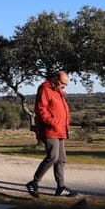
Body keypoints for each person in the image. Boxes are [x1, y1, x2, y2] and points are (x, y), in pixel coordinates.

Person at [26, 70, 78, 198]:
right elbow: (41, 109)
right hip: (49, 129)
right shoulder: (45, 88)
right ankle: (34, 182)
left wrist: (63, 124)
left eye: (66, 84)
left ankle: (61, 188)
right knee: (53, 157)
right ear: (55, 79)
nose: (64, 86)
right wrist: (53, 122)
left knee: (61, 159)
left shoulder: (58, 91)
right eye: (62, 83)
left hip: (60, 129)